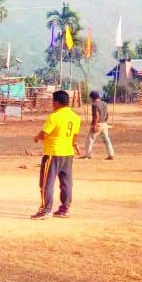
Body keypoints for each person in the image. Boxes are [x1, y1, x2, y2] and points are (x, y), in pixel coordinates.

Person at [31, 90, 81, 220]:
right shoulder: (75, 117)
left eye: (53, 102)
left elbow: (45, 133)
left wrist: (37, 137)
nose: (52, 104)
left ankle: (45, 210)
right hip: (68, 154)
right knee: (66, 183)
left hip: (52, 154)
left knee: (46, 183)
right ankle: (65, 208)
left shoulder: (54, 116)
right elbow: (75, 138)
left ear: (57, 102)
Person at [83, 91, 115, 160]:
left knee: (90, 139)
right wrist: (105, 121)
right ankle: (111, 154)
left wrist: (94, 125)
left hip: (98, 123)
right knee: (106, 139)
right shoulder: (104, 104)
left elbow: (96, 115)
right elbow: (107, 114)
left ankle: (88, 155)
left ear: (92, 97)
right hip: (104, 123)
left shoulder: (94, 104)